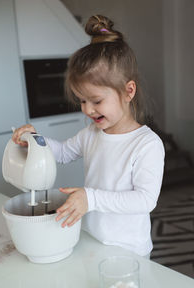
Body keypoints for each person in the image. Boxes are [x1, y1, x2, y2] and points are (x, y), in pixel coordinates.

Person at [12, 15, 165, 257]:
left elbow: (145, 200)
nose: (87, 109)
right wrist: (36, 140)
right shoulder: (92, 134)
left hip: (129, 250)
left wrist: (90, 199)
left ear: (129, 91)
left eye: (96, 100)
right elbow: (62, 153)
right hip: (91, 239)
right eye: (82, 100)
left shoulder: (146, 144)